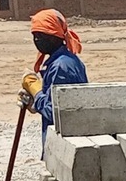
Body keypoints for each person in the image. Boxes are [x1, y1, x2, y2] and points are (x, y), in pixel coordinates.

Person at [29, 9, 88, 151]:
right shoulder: (64, 60)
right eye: (34, 36)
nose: (37, 40)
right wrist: (34, 103)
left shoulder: (61, 67)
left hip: (64, 146)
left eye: (41, 36)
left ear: (54, 37)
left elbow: (54, 113)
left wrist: (36, 91)